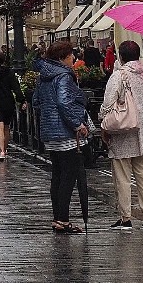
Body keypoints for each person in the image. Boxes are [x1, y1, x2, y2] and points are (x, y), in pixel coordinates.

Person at [98, 40, 143, 231]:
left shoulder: (118, 76)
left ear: (121, 56)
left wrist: (103, 124)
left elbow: (108, 104)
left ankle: (125, 218)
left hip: (123, 132)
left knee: (122, 176)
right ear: (138, 55)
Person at [32, 40, 90, 234]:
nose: (73, 58)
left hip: (49, 132)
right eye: (70, 55)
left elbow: (36, 101)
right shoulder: (64, 76)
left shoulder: (43, 76)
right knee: (68, 176)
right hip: (65, 133)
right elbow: (64, 103)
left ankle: (58, 218)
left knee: (57, 175)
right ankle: (63, 220)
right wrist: (78, 124)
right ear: (62, 57)